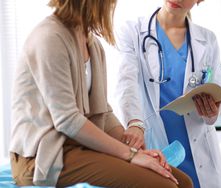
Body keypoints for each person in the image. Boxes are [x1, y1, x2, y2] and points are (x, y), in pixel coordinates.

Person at [9, 0, 194, 187]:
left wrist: (133, 146)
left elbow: (102, 111)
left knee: (183, 182)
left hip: (79, 148)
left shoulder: (91, 43)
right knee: (166, 186)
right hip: (43, 157)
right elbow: (67, 120)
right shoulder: (50, 38)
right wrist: (130, 155)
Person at [115, 0, 221, 188]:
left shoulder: (208, 40)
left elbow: (220, 92)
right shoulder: (132, 32)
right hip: (156, 147)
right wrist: (134, 122)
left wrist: (213, 111)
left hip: (199, 153)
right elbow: (126, 83)